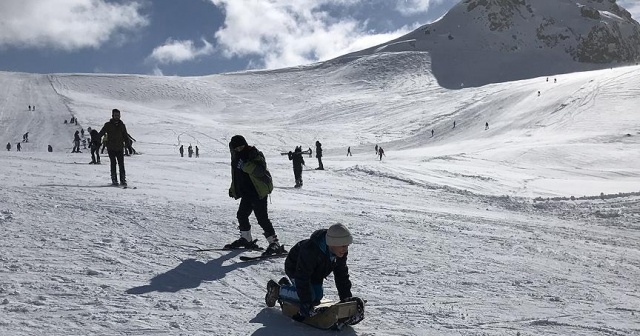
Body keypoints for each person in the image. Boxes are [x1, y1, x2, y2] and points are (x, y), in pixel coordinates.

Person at [265, 223, 356, 320]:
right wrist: (305, 303)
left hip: (315, 274)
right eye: (343, 246)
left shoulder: (339, 252)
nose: (345, 249)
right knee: (310, 297)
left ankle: (289, 287)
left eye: (347, 246)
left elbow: (341, 275)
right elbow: (302, 276)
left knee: (318, 296)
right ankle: (277, 290)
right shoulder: (310, 251)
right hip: (296, 269)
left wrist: (346, 299)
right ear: (333, 243)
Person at [226, 135, 283, 255]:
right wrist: (233, 188)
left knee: (262, 218)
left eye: (241, 146)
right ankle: (246, 239)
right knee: (241, 215)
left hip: (258, 192)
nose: (239, 149)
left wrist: (245, 165)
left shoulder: (254, 154)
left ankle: (275, 244)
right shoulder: (236, 157)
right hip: (247, 192)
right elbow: (237, 176)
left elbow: (260, 171)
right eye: (237, 148)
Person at [98, 108, 130, 186]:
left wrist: (128, 145)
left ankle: (123, 180)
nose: (117, 117)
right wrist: (96, 140)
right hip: (111, 147)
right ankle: (114, 180)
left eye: (118, 115)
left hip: (119, 147)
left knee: (121, 164)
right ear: (112, 115)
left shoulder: (122, 125)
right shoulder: (108, 125)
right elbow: (101, 133)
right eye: (115, 115)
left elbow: (125, 135)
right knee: (113, 163)